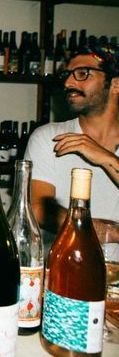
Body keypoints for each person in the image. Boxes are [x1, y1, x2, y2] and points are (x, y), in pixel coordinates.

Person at [25, 43, 119, 243]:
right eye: (67, 75)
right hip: (64, 267)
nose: (68, 83)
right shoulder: (49, 137)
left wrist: (105, 158)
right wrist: (109, 231)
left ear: (115, 85)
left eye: (83, 73)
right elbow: (38, 207)